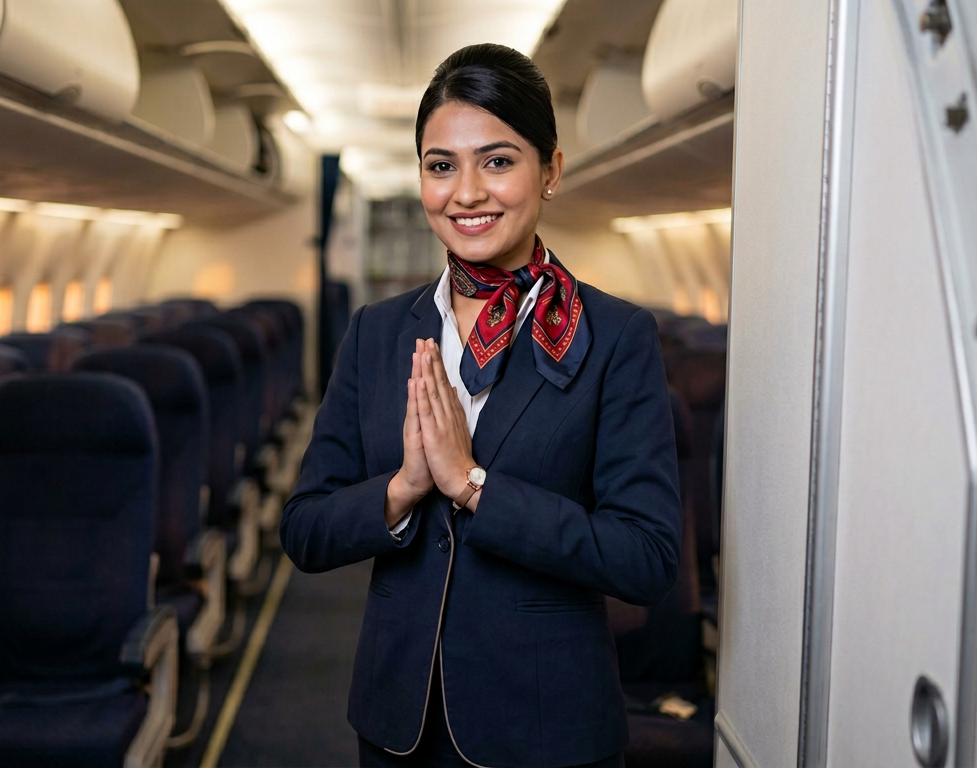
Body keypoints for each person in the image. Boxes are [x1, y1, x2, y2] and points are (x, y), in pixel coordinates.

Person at [281, 43, 682, 768]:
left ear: (551, 170)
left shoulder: (614, 337)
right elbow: (305, 529)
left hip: (544, 730)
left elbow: (645, 557)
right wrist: (403, 488)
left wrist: (472, 484)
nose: (466, 192)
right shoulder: (378, 333)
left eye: (497, 161)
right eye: (442, 165)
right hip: (396, 723)